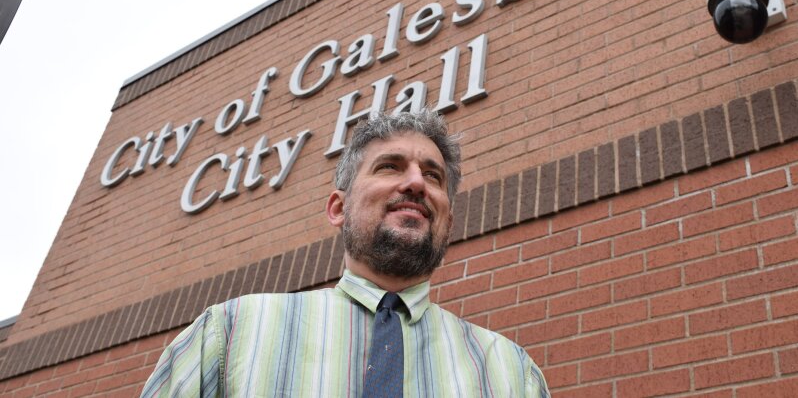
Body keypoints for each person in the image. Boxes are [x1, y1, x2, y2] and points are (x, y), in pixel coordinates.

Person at [140, 110, 549, 397]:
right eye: (389, 166)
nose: (415, 183)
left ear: (448, 221)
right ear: (338, 208)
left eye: (432, 175)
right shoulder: (229, 334)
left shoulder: (512, 373)